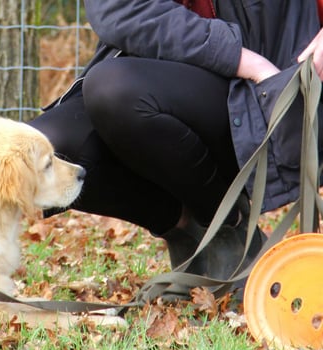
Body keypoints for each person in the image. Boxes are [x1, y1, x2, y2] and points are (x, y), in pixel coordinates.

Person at [28, 0, 323, 300]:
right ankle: (188, 231)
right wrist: (244, 60)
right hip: (163, 81)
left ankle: (230, 231)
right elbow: (115, 10)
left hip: (266, 93)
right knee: (51, 148)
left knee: (113, 88)